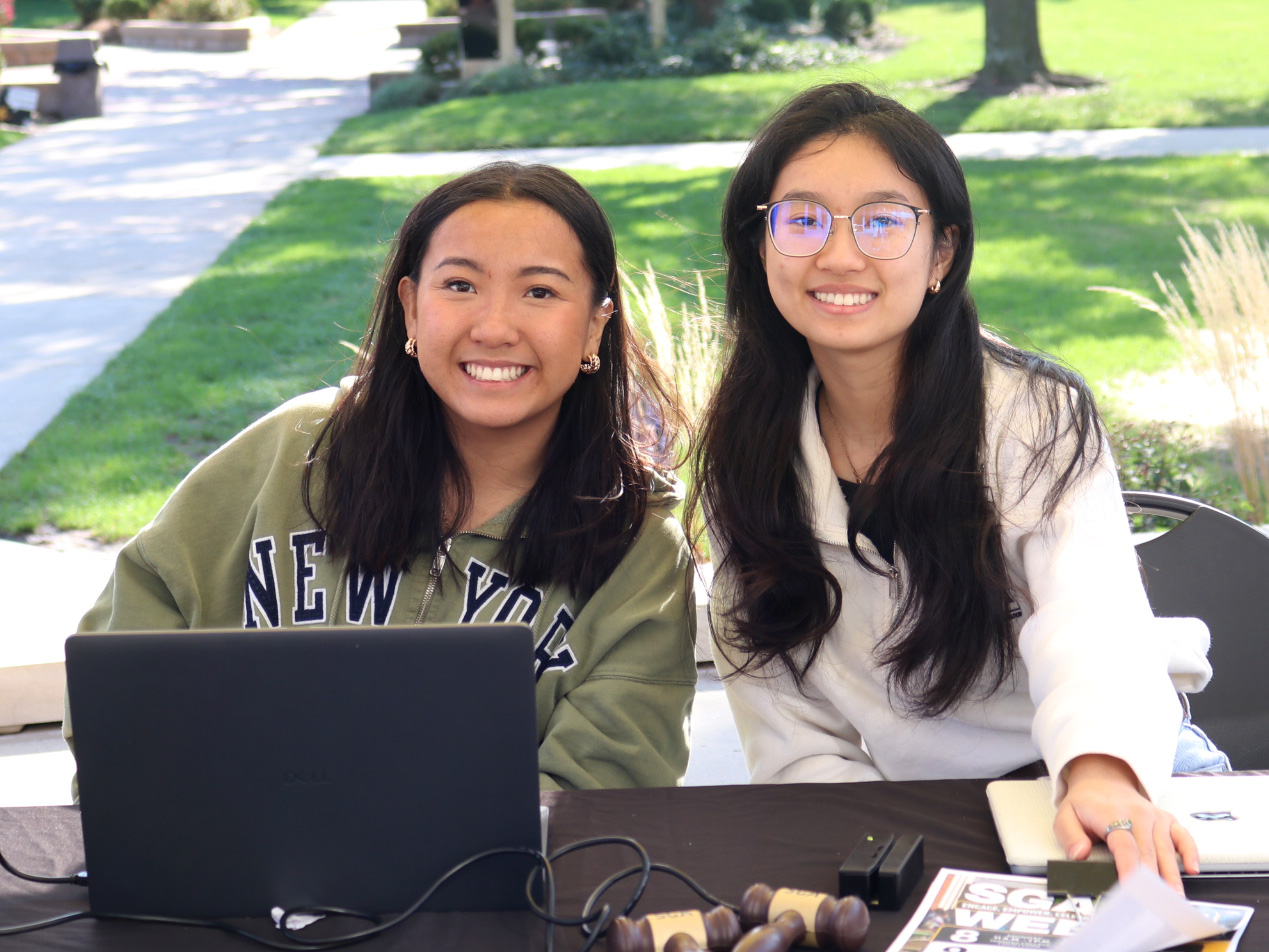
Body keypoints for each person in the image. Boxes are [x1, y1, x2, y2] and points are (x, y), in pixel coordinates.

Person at [694, 83, 1220, 890]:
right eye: (801, 220)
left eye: (882, 221)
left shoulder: (1033, 413)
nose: (839, 255)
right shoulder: (745, 450)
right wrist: (880, 864)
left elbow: (1093, 625)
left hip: (1111, 780)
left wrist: (1101, 773)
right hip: (918, 813)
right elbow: (793, 740)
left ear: (940, 253)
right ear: (760, 245)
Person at [71, 161, 697, 792]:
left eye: (540, 292)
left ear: (594, 325)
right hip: (232, 847)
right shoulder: (296, 450)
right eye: (459, 285)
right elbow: (126, 658)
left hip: (499, 860)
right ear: (410, 308)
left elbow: (603, 787)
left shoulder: (636, 548)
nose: (493, 328)